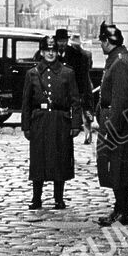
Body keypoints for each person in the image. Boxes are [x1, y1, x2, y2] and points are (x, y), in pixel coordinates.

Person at [95, 20, 128, 226]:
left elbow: (120, 99)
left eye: (101, 41)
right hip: (117, 119)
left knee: (119, 167)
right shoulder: (117, 58)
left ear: (107, 41)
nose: (100, 45)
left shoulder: (121, 62)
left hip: (120, 122)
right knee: (117, 167)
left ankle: (122, 210)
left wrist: (111, 129)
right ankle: (121, 209)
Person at [21, 35, 79, 209]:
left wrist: (75, 124)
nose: (50, 54)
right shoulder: (32, 73)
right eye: (47, 50)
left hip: (60, 121)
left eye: (53, 51)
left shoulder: (67, 73)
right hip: (39, 120)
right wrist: (26, 126)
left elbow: (75, 100)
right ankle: (36, 198)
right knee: (38, 158)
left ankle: (58, 198)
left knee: (60, 158)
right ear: (41, 52)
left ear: (58, 52)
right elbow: (26, 102)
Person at [54, 28, 93, 140]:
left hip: (72, 91)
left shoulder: (77, 55)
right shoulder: (51, 53)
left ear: (67, 41)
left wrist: (80, 93)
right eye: (60, 41)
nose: (62, 44)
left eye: (64, 41)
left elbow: (81, 76)